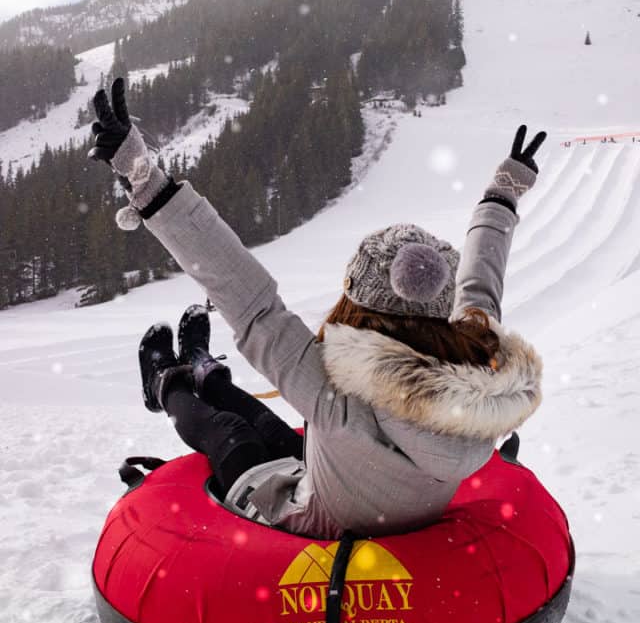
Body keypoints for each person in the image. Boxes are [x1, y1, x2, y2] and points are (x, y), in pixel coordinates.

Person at [90, 79, 546, 539]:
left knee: (231, 434)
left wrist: (148, 184)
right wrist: (500, 198)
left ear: (361, 307)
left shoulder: (340, 395)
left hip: (303, 523)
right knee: (270, 425)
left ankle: (167, 384)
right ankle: (207, 373)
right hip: (350, 487)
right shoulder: (477, 378)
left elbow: (252, 306)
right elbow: (480, 292)